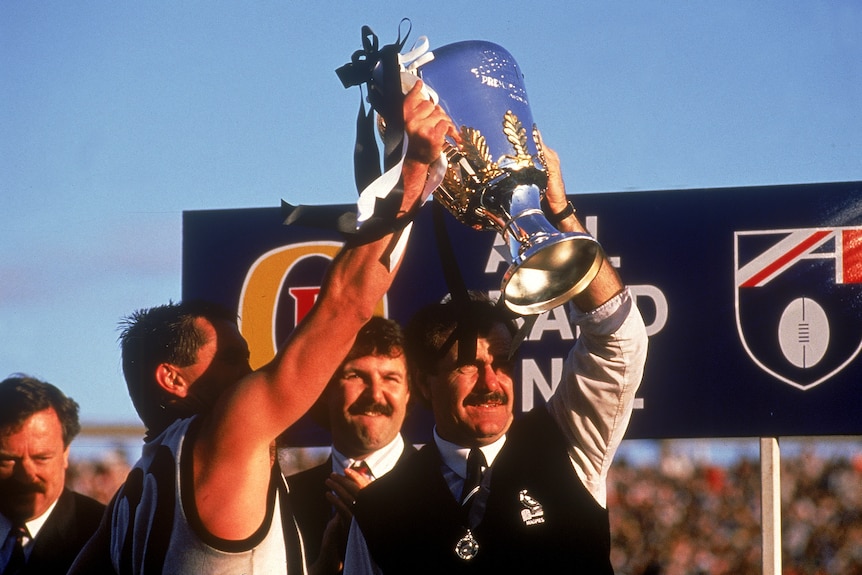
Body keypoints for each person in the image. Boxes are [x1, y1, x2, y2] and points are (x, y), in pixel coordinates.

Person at [69, 79, 457, 574]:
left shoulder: (129, 501)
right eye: (231, 358)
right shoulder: (226, 431)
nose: (251, 370)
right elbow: (347, 304)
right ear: (172, 377)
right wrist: (415, 167)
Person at [343, 146, 649, 574]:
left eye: (501, 362)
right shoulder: (378, 509)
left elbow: (619, 338)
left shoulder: (570, 443)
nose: (491, 382)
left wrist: (558, 217)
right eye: (466, 365)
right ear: (424, 382)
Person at [286, 316, 416, 575]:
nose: (375, 394)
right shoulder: (287, 498)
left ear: (409, 394)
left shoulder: (446, 487)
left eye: (390, 378)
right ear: (325, 389)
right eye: (356, 375)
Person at [0, 374, 105, 574]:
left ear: (66, 453)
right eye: (8, 460)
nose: (27, 475)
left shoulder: (109, 536)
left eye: (41, 458)